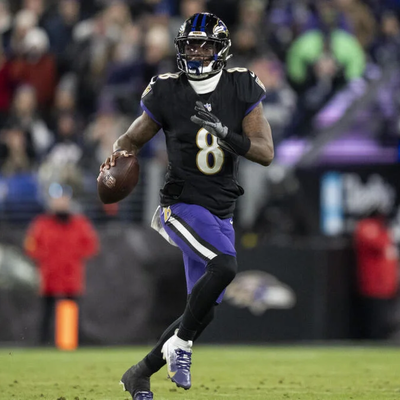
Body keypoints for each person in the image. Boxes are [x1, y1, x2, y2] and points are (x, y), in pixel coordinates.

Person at [99, 13, 273, 400]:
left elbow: (265, 152)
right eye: (190, 45)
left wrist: (226, 134)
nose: (196, 52)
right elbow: (130, 139)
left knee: (202, 309)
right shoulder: (167, 90)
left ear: (220, 49)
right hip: (181, 205)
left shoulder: (241, 85)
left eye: (204, 45)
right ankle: (180, 344)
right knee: (224, 266)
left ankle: (139, 373)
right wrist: (116, 158)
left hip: (222, 209)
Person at [24, 186, 99, 345]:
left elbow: (91, 246)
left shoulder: (79, 223)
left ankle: (73, 343)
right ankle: (42, 343)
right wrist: (44, 258)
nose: (60, 202)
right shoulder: (41, 224)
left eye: (63, 199)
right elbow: (31, 247)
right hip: (49, 276)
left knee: (73, 312)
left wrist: (74, 256)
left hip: (70, 276)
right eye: (57, 199)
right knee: (46, 313)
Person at [354, 208, 399, 340]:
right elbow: (378, 244)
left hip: (388, 284)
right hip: (373, 284)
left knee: (386, 319)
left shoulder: (384, 230)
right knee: (374, 319)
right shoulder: (367, 227)